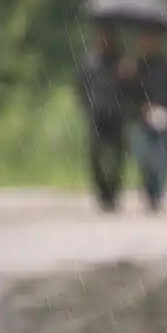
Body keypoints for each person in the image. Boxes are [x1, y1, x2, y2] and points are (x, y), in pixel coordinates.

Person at [120, 28, 167, 212]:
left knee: (160, 159)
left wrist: (160, 105)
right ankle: (148, 191)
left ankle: (157, 194)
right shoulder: (134, 67)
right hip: (141, 119)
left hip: (164, 119)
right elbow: (128, 94)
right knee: (144, 157)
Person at [76, 22, 126, 211]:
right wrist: (85, 105)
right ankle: (102, 191)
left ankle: (114, 191)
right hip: (97, 113)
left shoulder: (122, 62)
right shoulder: (90, 62)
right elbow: (81, 85)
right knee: (96, 154)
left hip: (117, 113)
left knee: (117, 155)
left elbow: (131, 89)